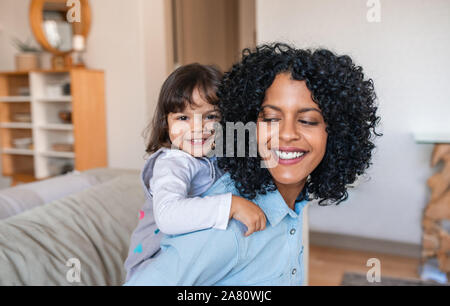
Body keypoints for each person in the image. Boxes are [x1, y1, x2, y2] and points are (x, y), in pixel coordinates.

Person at [124, 43, 382, 286]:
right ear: (247, 123)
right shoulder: (230, 226)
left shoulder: (291, 198)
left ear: (336, 133)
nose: (287, 134)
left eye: (308, 120)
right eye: (270, 118)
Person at [124, 63, 267, 282]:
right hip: (156, 266)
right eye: (183, 118)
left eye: (210, 116)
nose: (197, 127)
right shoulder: (173, 162)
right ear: (166, 124)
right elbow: (168, 215)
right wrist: (232, 205)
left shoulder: (219, 153)